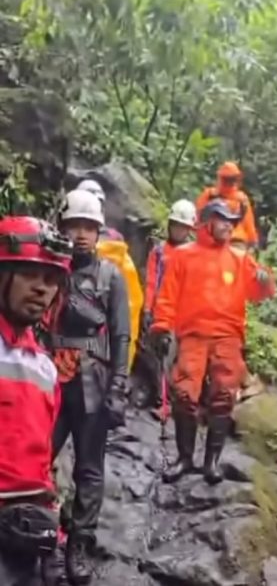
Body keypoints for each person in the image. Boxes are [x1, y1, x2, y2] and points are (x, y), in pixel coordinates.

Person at [150, 198, 276, 485]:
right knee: (184, 393)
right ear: (207, 222)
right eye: (223, 220)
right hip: (193, 334)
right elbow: (167, 295)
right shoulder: (182, 256)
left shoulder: (239, 258)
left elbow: (259, 293)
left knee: (223, 394)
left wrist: (264, 280)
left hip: (228, 336)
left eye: (232, 221)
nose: (229, 226)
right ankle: (185, 458)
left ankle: (212, 462)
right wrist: (161, 326)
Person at [47, 188, 130, 584]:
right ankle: (39, 529)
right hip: (48, 375)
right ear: (61, 228)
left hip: (91, 379)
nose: (80, 234)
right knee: (37, 453)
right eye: (73, 226)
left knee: (89, 466)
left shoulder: (111, 276)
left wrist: (119, 387)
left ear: (99, 233)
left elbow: (121, 335)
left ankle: (80, 542)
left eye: (88, 227)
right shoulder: (49, 269)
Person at [0, 216, 72, 585]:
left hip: (27, 532)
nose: (42, 289)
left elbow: (42, 463)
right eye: (31, 275)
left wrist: (56, 539)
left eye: (51, 281)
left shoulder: (43, 367)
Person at [74, 179, 143, 372]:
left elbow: (129, 310)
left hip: (96, 353)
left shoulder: (116, 254)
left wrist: (120, 373)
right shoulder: (61, 251)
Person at [142, 199, 196, 332]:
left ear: (189, 229)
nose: (178, 230)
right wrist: (147, 309)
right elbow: (151, 282)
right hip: (158, 313)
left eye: (183, 227)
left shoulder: (193, 255)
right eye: (176, 225)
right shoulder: (159, 251)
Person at [195, 162, 259, 253]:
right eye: (227, 179)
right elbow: (198, 219)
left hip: (236, 243)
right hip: (211, 241)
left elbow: (249, 224)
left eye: (232, 179)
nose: (229, 182)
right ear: (220, 178)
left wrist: (253, 242)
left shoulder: (241, 199)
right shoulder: (209, 195)